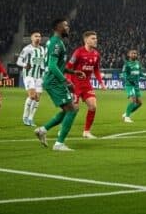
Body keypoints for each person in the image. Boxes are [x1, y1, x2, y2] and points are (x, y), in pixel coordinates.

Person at [34, 19, 86, 151]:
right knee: (72, 109)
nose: (68, 27)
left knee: (69, 109)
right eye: (65, 25)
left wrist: (73, 72)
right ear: (58, 27)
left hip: (54, 80)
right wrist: (66, 81)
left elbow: (58, 65)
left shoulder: (57, 42)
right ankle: (59, 143)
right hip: (54, 81)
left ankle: (43, 130)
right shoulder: (57, 43)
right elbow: (52, 65)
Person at [66, 31, 107, 138]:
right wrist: (69, 81)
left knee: (93, 106)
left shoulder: (96, 54)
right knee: (73, 109)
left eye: (96, 38)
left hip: (86, 84)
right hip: (75, 84)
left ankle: (86, 132)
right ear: (86, 40)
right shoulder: (78, 52)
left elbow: (96, 70)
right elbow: (69, 67)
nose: (95, 40)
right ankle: (63, 129)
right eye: (93, 38)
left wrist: (101, 83)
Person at [17, 31, 46, 127]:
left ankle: (31, 118)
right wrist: (25, 65)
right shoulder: (27, 49)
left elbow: (43, 63)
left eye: (39, 36)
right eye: (36, 36)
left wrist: (45, 71)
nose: (38, 38)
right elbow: (19, 61)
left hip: (39, 77)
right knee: (32, 96)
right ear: (31, 38)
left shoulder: (42, 49)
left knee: (37, 98)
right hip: (29, 75)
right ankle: (25, 117)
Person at [121, 49, 146, 123]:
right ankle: (127, 117)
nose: (134, 54)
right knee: (133, 101)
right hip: (130, 85)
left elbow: (140, 73)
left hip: (136, 85)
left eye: (135, 53)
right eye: (132, 53)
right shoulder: (127, 64)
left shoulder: (138, 63)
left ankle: (126, 113)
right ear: (129, 55)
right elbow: (124, 74)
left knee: (139, 103)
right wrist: (128, 80)